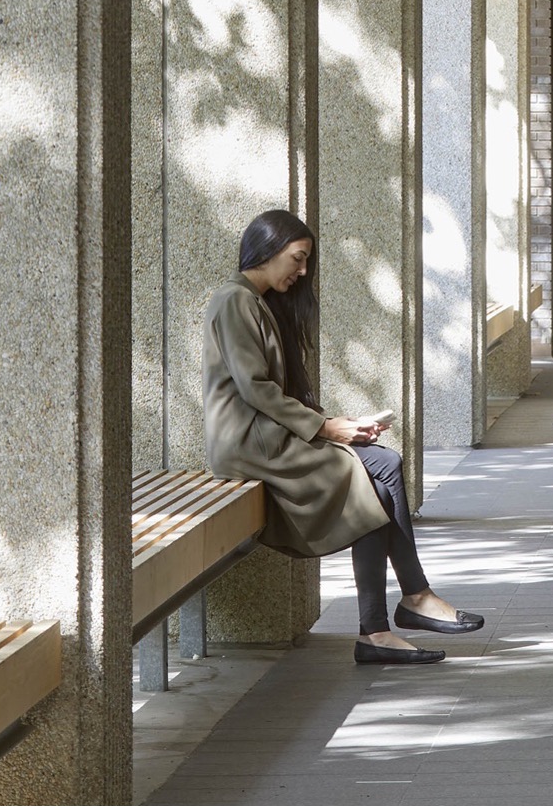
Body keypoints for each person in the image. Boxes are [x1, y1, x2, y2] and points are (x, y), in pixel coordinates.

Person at [202, 208, 484, 665]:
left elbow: (274, 392)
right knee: (372, 475)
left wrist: (339, 424)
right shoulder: (234, 300)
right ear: (268, 249)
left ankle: (394, 615)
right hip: (249, 445)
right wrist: (327, 428)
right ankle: (399, 610)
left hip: (268, 436)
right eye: (297, 258)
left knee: (384, 465)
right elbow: (255, 388)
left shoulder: (256, 302)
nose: (302, 271)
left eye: (306, 261)